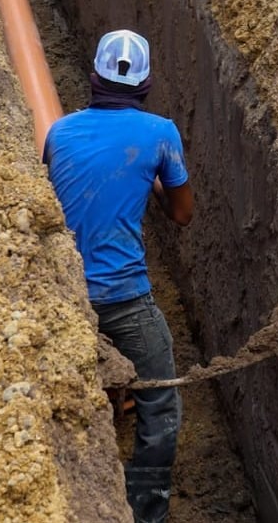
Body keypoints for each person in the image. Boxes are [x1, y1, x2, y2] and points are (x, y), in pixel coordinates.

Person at [44, 30, 193, 523]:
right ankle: (145, 512)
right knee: (161, 398)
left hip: (61, 293)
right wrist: (150, 179)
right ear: (145, 84)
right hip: (124, 296)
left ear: (93, 79)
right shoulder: (161, 133)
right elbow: (182, 215)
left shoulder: (58, 132)